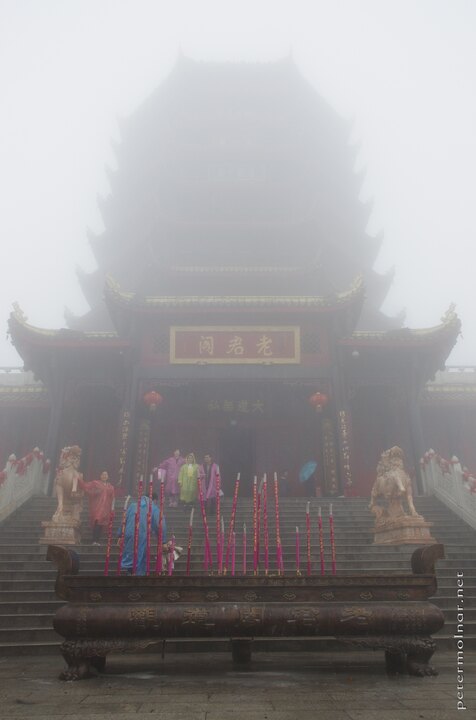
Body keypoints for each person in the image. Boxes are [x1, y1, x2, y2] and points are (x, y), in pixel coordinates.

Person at [118, 492, 170, 575]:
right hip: (142, 534)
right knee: (140, 558)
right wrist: (163, 541)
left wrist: (120, 535)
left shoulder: (132, 506)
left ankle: (130, 575)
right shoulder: (153, 507)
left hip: (129, 534)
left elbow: (124, 520)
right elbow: (160, 524)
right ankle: (138, 579)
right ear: (155, 500)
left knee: (131, 557)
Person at [79, 470, 115, 545]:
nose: (104, 476)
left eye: (106, 474)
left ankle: (97, 540)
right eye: (103, 474)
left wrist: (112, 508)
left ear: (108, 476)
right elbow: (87, 486)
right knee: (97, 521)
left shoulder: (110, 487)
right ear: (100, 476)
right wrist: (79, 480)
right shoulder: (96, 483)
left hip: (106, 508)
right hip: (97, 507)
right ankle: (94, 540)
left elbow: (112, 498)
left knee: (101, 524)